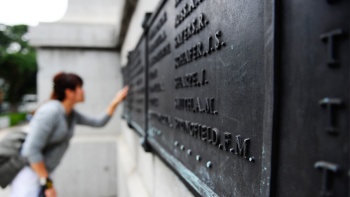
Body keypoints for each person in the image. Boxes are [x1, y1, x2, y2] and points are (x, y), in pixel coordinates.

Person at [10, 72, 128, 197]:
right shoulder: (50, 112)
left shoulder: (70, 114)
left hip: (42, 173)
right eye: (80, 88)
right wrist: (47, 184)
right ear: (69, 92)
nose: (83, 92)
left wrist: (116, 101)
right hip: (29, 173)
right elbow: (31, 150)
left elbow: (98, 122)